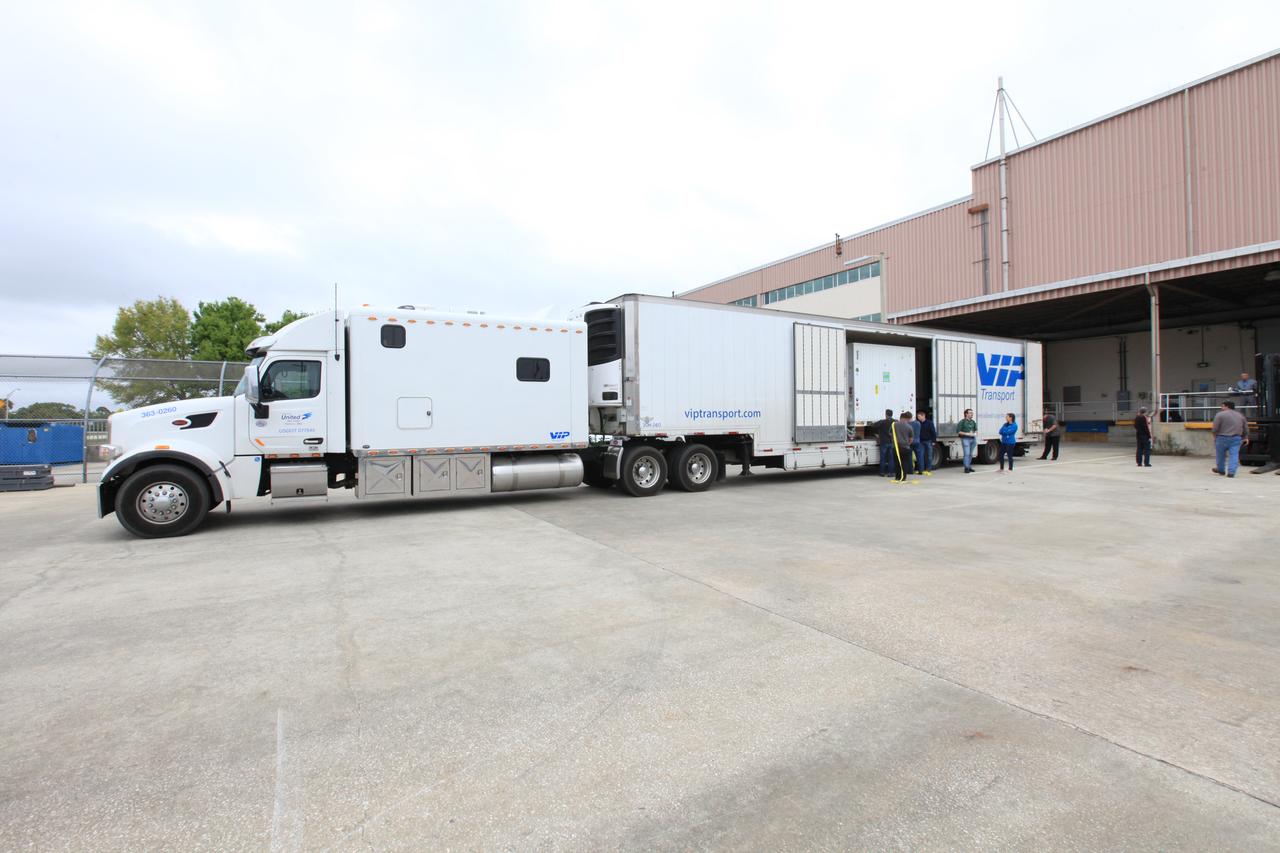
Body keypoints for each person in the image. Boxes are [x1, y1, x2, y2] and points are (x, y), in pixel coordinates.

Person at [1211, 400, 1249, 478]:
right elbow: (1245, 428)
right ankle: (1231, 472)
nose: (1221, 408)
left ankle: (1221, 470)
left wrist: (1215, 436)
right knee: (1234, 455)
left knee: (1220, 455)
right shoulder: (1240, 415)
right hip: (1236, 438)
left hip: (1222, 438)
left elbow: (1215, 428)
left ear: (1226, 406)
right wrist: (1245, 437)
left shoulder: (1220, 415)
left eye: (1222, 406)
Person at [891, 412, 915, 483]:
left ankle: (897, 477)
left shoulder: (894, 425)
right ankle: (903, 477)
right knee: (904, 463)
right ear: (907, 418)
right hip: (905, 447)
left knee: (897, 462)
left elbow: (891, 434)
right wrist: (908, 443)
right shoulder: (909, 427)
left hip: (896, 447)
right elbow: (911, 439)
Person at [957, 408, 978, 473]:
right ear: (966, 414)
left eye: (972, 413)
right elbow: (958, 431)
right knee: (967, 453)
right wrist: (967, 433)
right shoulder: (962, 422)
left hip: (973, 439)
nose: (972, 414)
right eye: (970, 413)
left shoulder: (973, 422)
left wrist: (975, 433)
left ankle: (969, 466)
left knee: (970, 454)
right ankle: (966, 468)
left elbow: (976, 430)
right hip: (965, 439)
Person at [916, 410, 937, 476]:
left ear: (923, 416)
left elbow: (933, 432)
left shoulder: (929, 423)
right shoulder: (918, 423)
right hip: (921, 441)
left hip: (928, 441)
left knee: (929, 456)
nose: (918, 418)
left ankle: (928, 469)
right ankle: (921, 470)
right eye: (917, 417)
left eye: (919, 416)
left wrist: (934, 441)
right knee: (921, 455)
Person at [875, 408, 895, 477]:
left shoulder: (882, 422)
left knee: (883, 458)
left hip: (883, 442)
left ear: (886, 414)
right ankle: (891, 473)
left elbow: (873, 425)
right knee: (891, 458)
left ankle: (882, 472)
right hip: (892, 442)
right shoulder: (895, 422)